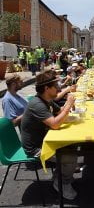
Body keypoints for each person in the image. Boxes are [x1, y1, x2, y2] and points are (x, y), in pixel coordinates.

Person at [21, 70, 77, 200]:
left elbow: (60, 112)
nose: (59, 88)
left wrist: (70, 106)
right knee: (70, 156)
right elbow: (55, 124)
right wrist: (68, 105)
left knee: (71, 145)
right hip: (36, 148)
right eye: (56, 86)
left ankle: (59, 177)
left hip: (46, 140)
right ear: (47, 88)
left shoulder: (47, 100)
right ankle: (62, 183)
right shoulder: (37, 104)